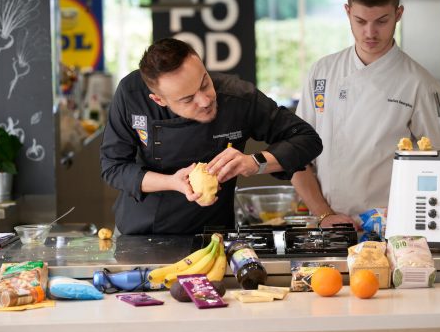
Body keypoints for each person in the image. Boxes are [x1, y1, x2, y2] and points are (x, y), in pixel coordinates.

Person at [100, 38, 322, 235]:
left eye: (204, 83)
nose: (205, 100)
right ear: (159, 100)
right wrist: (172, 182)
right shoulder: (131, 95)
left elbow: (307, 139)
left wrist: (255, 162)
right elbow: (113, 166)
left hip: (213, 233)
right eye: (188, 99)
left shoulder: (238, 97)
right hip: (140, 232)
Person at [291, 0, 440, 228]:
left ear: (398, 14)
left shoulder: (420, 84)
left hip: (393, 229)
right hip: (328, 226)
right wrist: (324, 214)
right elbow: (296, 156)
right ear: (347, 12)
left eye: (382, 21)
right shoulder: (322, 72)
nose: (370, 33)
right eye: (360, 21)